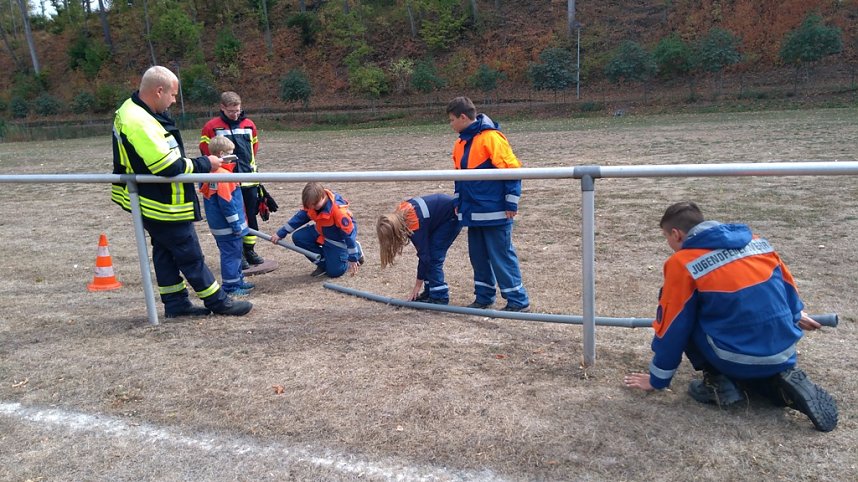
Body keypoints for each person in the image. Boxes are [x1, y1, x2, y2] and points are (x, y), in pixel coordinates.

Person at [624, 201, 837, 432]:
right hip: (783, 349)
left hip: (734, 357)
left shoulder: (682, 262)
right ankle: (777, 380)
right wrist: (796, 313)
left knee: (683, 312)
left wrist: (657, 380)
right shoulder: (757, 242)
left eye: (666, 237)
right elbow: (787, 285)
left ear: (676, 234)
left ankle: (717, 381)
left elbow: (673, 326)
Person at [111, 66, 252, 317]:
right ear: (159, 91)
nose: (174, 101)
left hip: (152, 199)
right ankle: (219, 302)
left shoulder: (133, 110)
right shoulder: (139, 121)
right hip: (163, 202)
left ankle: (176, 304)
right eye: (173, 95)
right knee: (190, 254)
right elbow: (167, 165)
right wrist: (205, 163)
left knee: (165, 251)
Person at [446, 96, 530, 312]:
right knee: (478, 257)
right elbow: (459, 177)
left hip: (494, 210)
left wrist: (511, 203)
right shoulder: (460, 143)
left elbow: (512, 171)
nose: (450, 124)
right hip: (472, 212)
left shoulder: (491, 138)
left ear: (463, 117)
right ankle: (484, 298)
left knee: (501, 255)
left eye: (452, 119)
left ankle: (518, 301)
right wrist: (459, 202)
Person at [199, 91, 264, 270]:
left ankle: (249, 250)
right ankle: (238, 254)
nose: (235, 114)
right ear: (222, 108)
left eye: (238, 110)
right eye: (231, 111)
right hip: (226, 181)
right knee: (233, 217)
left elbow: (254, 148)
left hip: (248, 179)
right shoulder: (211, 127)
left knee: (250, 216)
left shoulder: (249, 125)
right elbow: (206, 152)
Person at [377, 193, 462, 305]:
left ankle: (439, 296)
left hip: (450, 218)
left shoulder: (413, 223)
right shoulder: (401, 214)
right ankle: (430, 291)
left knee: (433, 256)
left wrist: (417, 286)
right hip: (441, 213)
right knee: (429, 255)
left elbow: (424, 256)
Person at [199, 136, 255, 296]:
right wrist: (236, 225)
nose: (234, 156)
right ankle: (231, 286)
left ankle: (238, 281)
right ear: (222, 154)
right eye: (231, 153)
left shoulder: (210, 173)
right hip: (228, 228)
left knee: (235, 254)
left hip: (220, 226)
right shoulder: (223, 176)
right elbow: (228, 205)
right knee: (231, 256)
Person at [270, 182, 364, 278]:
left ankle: (356, 252)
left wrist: (353, 257)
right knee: (299, 237)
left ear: (323, 197)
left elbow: (349, 234)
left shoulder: (338, 212)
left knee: (335, 272)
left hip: (337, 240)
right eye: (310, 206)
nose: (312, 208)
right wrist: (281, 233)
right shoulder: (313, 203)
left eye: (315, 205)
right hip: (321, 231)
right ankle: (324, 264)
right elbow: (299, 218)